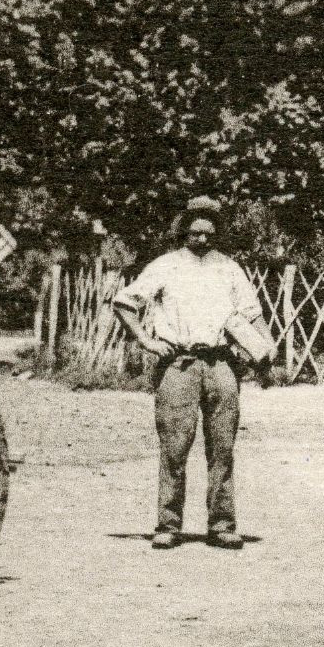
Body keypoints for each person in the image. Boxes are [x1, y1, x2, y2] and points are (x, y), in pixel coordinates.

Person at [112, 196, 263, 551]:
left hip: (221, 365)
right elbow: (124, 303)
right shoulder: (166, 266)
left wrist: (263, 353)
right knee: (174, 448)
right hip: (178, 365)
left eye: (209, 233)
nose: (202, 240)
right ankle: (168, 525)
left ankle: (222, 525)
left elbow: (253, 316)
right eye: (195, 233)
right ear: (183, 231)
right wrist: (147, 341)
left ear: (217, 233)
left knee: (223, 449)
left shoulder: (230, 269)